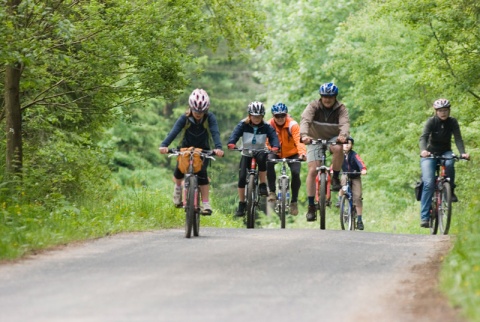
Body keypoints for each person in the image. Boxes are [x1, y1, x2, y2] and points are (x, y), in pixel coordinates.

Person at [159, 88, 224, 215]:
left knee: (202, 174)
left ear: (206, 109)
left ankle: (205, 203)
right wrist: (164, 145)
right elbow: (174, 131)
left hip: (203, 150)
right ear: (190, 108)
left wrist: (218, 148)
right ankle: (178, 190)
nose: (198, 113)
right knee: (179, 170)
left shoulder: (210, 118)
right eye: (195, 110)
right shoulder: (185, 118)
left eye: (202, 111)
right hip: (186, 148)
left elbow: (215, 132)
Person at [300, 82, 350, 222]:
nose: (327, 99)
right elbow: (305, 120)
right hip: (314, 138)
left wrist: (343, 136)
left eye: (330, 97)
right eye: (324, 97)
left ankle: (335, 177)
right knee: (312, 170)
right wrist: (304, 135)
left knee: (338, 148)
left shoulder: (341, 109)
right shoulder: (313, 106)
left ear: (335, 97)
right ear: (321, 97)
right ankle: (311, 206)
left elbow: (345, 124)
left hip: (333, 137)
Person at [419, 98, 470, 228]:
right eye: (441, 110)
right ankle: (424, 217)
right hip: (430, 154)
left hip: (445, 152)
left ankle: (450, 190)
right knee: (429, 183)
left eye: (445, 110)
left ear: (449, 110)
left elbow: (458, 138)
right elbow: (423, 137)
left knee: (450, 163)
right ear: (436, 111)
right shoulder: (431, 121)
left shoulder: (452, 122)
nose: (443, 113)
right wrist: (423, 150)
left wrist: (462, 152)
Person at [227, 101, 280, 217]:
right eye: (254, 116)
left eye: (259, 116)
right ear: (249, 115)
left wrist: (275, 146)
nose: (256, 118)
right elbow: (235, 135)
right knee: (241, 178)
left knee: (262, 160)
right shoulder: (243, 125)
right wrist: (231, 143)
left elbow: (273, 137)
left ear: (262, 116)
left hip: (260, 150)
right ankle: (242, 203)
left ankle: (262, 184)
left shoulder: (266, 126)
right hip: (246, 151)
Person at [266, 102, 306, 216]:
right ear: (273, 116)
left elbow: (299, 140)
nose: (280, 118)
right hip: (275, 151)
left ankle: (294, 201)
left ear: (286, 115)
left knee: (295, 172)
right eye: (277, 116)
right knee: (268, 162)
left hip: (292, 153)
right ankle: (272, 191)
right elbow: (265, 140)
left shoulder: (292, 125)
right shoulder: (269, 125)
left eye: (282, 115)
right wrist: (270, 149)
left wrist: (302, 153)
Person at [339, 137, 367, 230]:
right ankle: (341, 200)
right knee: (342, 181)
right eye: (344, 143)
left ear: (352, 145)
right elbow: (334, 164)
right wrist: (331, 170)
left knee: (358, 197)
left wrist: (363, 169)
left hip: (355, 176)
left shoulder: (354, 155)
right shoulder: (339, 155)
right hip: (346, 174)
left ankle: (359, 220)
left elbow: (360, 162)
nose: (346, 145)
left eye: (349, 143)